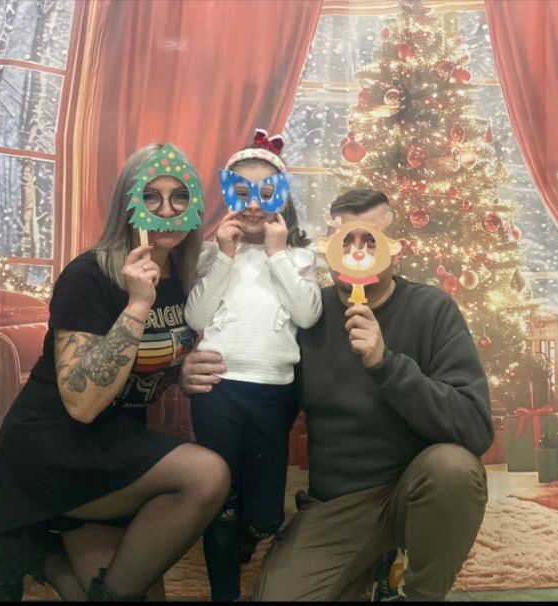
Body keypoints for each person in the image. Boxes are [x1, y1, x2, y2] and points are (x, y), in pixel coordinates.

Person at [181, 187, 493, 602]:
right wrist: (194, 372)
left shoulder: (432, 309)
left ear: (395, 251)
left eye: (371, 241)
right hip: (339, 505)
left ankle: (417, 593)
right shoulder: (307, 313)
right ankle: (371, 570)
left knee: (454, 468)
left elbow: (474, 428)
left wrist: (386, 364)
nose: (357, 251)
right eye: (347, 241)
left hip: (417, 489)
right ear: (328, 249)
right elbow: (263, 390)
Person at [0, 143, 231, 602]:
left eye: (180, 197)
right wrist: (137, 305)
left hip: (117, 444)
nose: (166, 210)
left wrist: (180, 371)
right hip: (55, 447)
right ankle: (36, 541)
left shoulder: (185, 276)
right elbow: (82, 404)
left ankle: (40, 556)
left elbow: (151, 359)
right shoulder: (90, 275)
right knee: (206, 474)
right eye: (151, 196)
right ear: (127, 203)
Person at [184, 129, 322, 602]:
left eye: (266, 192)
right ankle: (223, 585)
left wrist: (278, 255)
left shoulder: (299, 257)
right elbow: (196, 318)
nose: (254, 205)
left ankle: (252, 530)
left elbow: (308, 315)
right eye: (241, 192)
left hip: (274, 392)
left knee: (264, 510)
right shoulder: (213, 254)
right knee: (220, 494)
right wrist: (223, 257)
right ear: (228, 194)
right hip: (217, 391)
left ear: (283, 196)